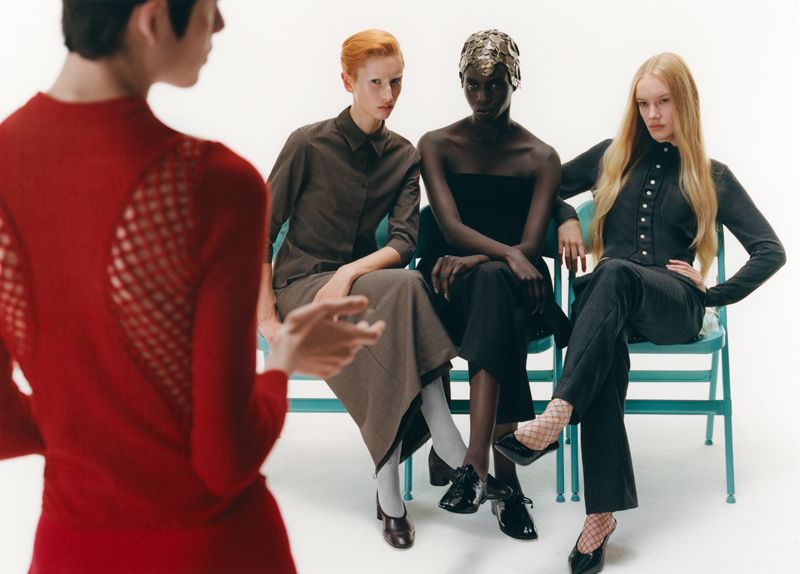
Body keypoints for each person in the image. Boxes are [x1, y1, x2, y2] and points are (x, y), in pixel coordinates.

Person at [0, 1, 384, 572]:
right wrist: (282, 362)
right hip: (212, 549)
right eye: (209, 7)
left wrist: (84, 436)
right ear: (152, 18)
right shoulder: (213, 186)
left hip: (69, 549)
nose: (221, 24)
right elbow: (224, 460)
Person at [494, 52, 786, 573]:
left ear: (685, 104)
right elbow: (546, 184)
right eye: (644, 103)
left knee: (610, 275)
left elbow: (770, 250)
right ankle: (599, 518)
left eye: (664, 102)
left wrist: (712, 293)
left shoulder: (712, 174)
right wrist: (564, 217)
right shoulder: (614, 156)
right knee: (603, 324)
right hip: (612, 304)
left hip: (673, 305)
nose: (653, 114)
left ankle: (557, 413)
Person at [256, 29, 470, 550]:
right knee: (400, 296)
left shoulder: (404, 154)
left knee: (403, 288)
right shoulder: (307, 143)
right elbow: (258, 230)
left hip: (359, 285)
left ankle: (391, 484)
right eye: (376, 83)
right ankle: (440, 434)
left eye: (396, 82)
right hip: (301, 286)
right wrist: (265, 319)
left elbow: (404, 240)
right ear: (348, 81)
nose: (388, 96)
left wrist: (349, 272)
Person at [417, 29, 572, 539]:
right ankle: (504, 486)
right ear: (461, 82)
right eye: (473, 85)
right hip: (445, 287)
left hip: (515, 286)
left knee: (491, 286)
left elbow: (532, 243)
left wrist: (487, 260)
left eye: (494, 85)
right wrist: (497, 254)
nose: (482, 98)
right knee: (490, 288)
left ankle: (474, 465)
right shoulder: (437, 144)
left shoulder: (539, 155)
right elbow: (449, 227)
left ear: (515, 81)